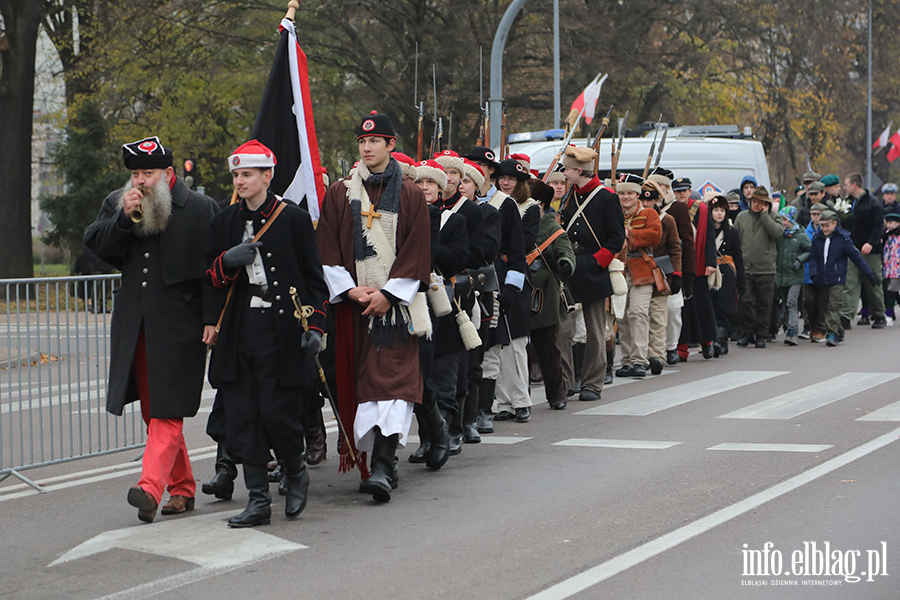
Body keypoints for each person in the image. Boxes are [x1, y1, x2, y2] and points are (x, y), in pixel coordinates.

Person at [84, 136, 219, 523]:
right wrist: (122, 219)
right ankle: (183, 487)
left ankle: (149, 487)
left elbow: (213, 272)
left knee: (168, 408)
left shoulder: (199, 208)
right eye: (136, 173)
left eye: (149, 172)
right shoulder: (118, 202)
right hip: (136, 323)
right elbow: (97, 246)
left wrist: (213, 319)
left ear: (169, 174)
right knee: (153, 408)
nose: (141, 180)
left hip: (182, 325)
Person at [204, 140, 328, 527]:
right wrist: (227, 261)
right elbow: (207, 278)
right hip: (241, 330)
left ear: (267, 176)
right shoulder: (224, 221)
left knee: (277, 413)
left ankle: (296, 471)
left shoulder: (292, 219)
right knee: (243, 417)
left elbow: (314, 280)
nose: (240, 181)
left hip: (282, 331)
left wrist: (317, 328)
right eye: (236, 175)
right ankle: (258, 500)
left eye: (247, 174)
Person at [317, 111, 432, 502]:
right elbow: (328, 248)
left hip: (396, 309)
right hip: (354, 308)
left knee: (395, 385)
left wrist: (389, 293)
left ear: (390, 145)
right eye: (362, 142)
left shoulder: (411, 194)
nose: (366, 148)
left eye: (374, 142)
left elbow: (417, 251)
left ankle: (383, 465)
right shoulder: (339, 192)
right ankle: (380, 460)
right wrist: (350, 291)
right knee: (365, 387)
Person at [558, 145, 625, 401]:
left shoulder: (606, 197)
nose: (564, 173)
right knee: (563, 330)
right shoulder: (569, 195)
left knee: (596, 331)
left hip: (593, 269)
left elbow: (616, 239)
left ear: (579, 170)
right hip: (568, 267)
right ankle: (565, 382)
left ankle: (592, 384)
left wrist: (596, 263)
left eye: (567, 169)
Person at [490, 158, 538, 423]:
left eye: (512, 179)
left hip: (514, 277)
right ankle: (504, 402)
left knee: (516, 343)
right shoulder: (488, 203)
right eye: (503, 178)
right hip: (492, 275)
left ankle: (522, 401)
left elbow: (524, 244)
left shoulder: (528, 209)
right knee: (496, 344)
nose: (506, 182)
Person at [527, 179, 575, 409]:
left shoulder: (552, 228)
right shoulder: (516, 221)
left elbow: (565, 252)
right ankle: (519, 398)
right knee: (517, 350)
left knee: (548, 349)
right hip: (518, 290)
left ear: (541, 204)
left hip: (544, 296)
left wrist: (565, 263)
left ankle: (557, 394)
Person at [614, 174, 662, 377]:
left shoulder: (649, 213)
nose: (626, 197)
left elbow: (654, 235)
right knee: (622, 317)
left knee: (638, 313)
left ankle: (639, 360)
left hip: (641, 270)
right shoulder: (614, 214)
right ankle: (626, 361)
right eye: (622, 193)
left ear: (637, 195)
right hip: (618, 269)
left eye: (630, 193)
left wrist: (629, 234)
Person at [808, 210, 875, 346]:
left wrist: (868, 274)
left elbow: (856, 257)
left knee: (834, 306)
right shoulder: (817, 238)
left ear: (834, 224)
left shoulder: (843, 239)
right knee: (825, 306)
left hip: (837, 279)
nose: (825, 229)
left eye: (828, 225)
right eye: (822, 226)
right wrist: (814, 273)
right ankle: (839, 332)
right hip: (822, 279)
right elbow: (813, 257)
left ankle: (832, 333)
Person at [672, 177, 718, 360]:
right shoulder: (671, 210)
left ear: (690, 191)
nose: (682, 193)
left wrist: (710, 262)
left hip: (698, 265)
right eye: (678, 191)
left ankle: (707, 343)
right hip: (678, 265)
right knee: (681, 310)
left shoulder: (702, 209)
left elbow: (709, 237)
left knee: (702, 307)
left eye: (684, 190)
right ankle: (681, 349)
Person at [734, 186, 782, 348]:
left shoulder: (774, 217)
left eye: (760, 202)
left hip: (766, 268)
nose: (756, 205)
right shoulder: (742, 217)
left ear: (766, 204)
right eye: (754, 201)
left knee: (765, 303)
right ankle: (746, 332)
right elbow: (736, 238)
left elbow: (777, 233)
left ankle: (761, 334)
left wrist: (764, 216)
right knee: (745, 301)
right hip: (746, 268)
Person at [642, 180, 682, 374]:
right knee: (639, 317)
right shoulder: (633, 219)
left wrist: (677, 273)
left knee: (658, 317)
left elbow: (675, 248)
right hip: (638, 273)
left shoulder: (668, 220)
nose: (646, 203)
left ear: (658, 200)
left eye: (651, 199)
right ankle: (639, 356)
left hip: (660, 274)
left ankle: (656, 355)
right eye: (643, 199)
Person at [656, 172, 696, 364]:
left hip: (672, 266)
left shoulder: (677, 208)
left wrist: (688, 273)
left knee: (673, 311)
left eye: (662, 186)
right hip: (647, 266)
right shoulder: (641, 208)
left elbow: (686, 242)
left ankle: (672, 346)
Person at [840, 172, 886, 329]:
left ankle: (879, 314)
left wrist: (871, 243)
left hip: (870, 252)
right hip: (852, 250)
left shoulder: (873, 203)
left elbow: (879, 226)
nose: (844, 187)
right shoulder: (847, 204)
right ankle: (845, 317)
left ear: (854, 185)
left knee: (873, 283)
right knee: (850, 284)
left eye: (846, 184)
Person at [708, 194, 744, 356]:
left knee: (723, 307)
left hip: (726, 272)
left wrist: (741, 281)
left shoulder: (731, 232)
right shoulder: (706, 230)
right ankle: (713, 339)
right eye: (716, 210)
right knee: (711, 307)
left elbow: (738, 256)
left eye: (722, 210)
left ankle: (720, 340)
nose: (719, 213)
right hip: (709, 272)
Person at [773, 206, 811, 345]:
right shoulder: (779, 235)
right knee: (785, 304)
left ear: (791, 220)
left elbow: (809, 250)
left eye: (784, 219)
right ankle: (789, 327)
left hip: (795, 275)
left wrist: (799, 260)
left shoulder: (800, 235)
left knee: (791, 302)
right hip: (781, 274)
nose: (782, 222)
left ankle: (792, 331)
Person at [800, 203, 828, 342]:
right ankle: (809, 326)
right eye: (813, 214)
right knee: (808, 301)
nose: (816, 217)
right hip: (808, 272)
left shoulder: (828, 231)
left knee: (822, 302)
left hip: (824, 273)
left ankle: (820, 329)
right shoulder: (805, 232)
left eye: (819, 214)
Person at [882, 209, 900, 319]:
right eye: (887, 222)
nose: (889, 225)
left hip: (896, 267)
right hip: (887, 267)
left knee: (892, 290)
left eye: (891, 223)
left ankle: (888, 315)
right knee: (889, 290)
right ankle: (890, 313)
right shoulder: (886, 236)